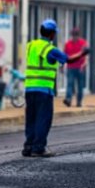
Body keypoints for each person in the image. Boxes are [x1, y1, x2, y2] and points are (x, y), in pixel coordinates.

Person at [23, 19, 89, 158]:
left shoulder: (31, 45)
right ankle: (39, 148)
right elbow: (69, 59)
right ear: (52, 34)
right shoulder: (49, 49)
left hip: (29, 89)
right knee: (43, 118)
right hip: (43, 90)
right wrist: (83, 54)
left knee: (31, 118)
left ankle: (28, 146)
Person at [63, 26, 89, 108]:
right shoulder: (68, 44)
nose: (75, 37)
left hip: (80, 67)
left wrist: (85, 63)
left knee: (80, 86)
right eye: (73, 35)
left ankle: (79, 101)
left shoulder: (83, 43)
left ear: (78, 35)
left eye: (76, 35)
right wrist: (62, 65)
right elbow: (64, 55)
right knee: (70, 84)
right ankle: (68, 99)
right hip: (71, 67)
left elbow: (86, 55)